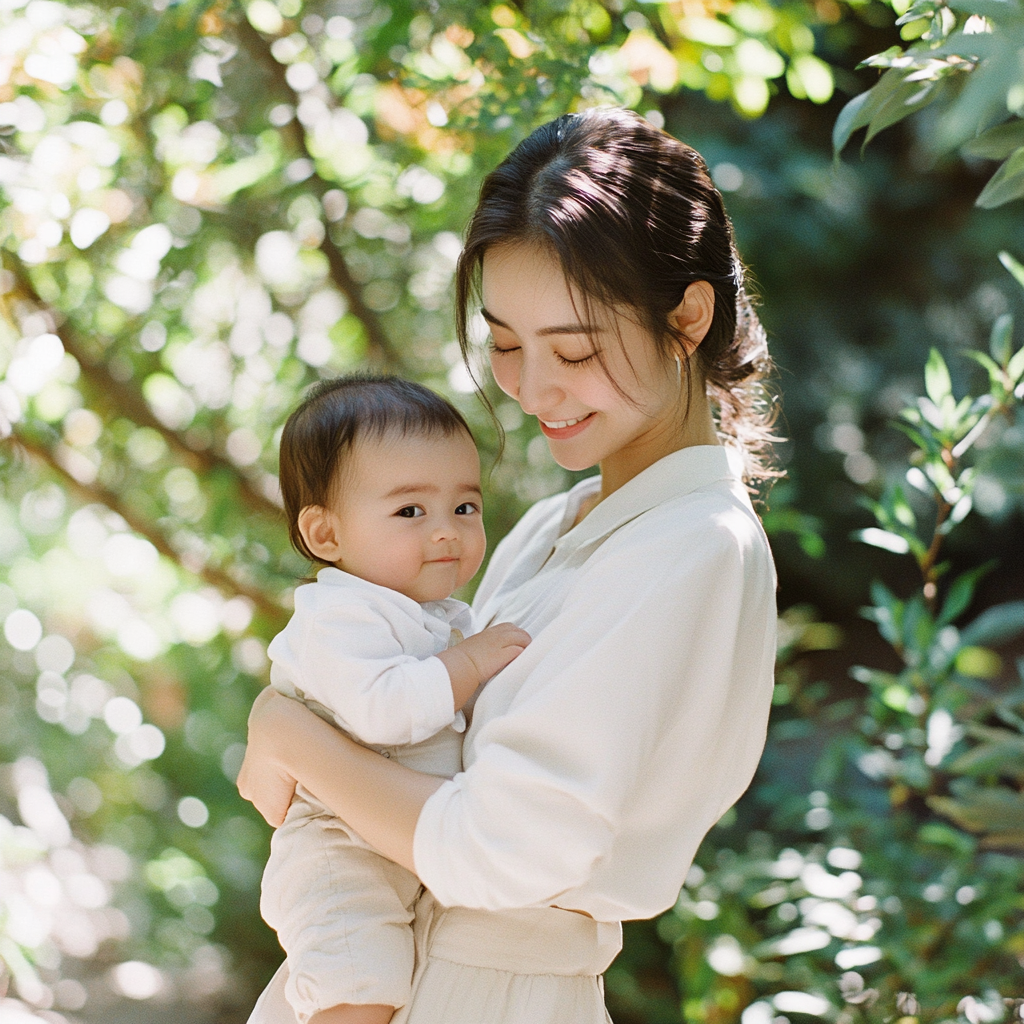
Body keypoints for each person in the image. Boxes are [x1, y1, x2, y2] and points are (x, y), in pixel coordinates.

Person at [239, 106, 779, 1024]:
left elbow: (493, 848)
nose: (531, 389)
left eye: (573, 349)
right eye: (503, 345)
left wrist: (291, 734)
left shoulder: (696, 547)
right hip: (410, 962)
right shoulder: (553, 527)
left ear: (688, 317)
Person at [255, 376, 530, 1024]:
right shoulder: (338, 616)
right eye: (411, 511)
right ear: (326, 535)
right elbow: (384, 709)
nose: (447, 532)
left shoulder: (435, 613)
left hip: (393, 842)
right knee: (361, 989)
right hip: (337, 850)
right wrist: (467, 663)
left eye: (465, 507)